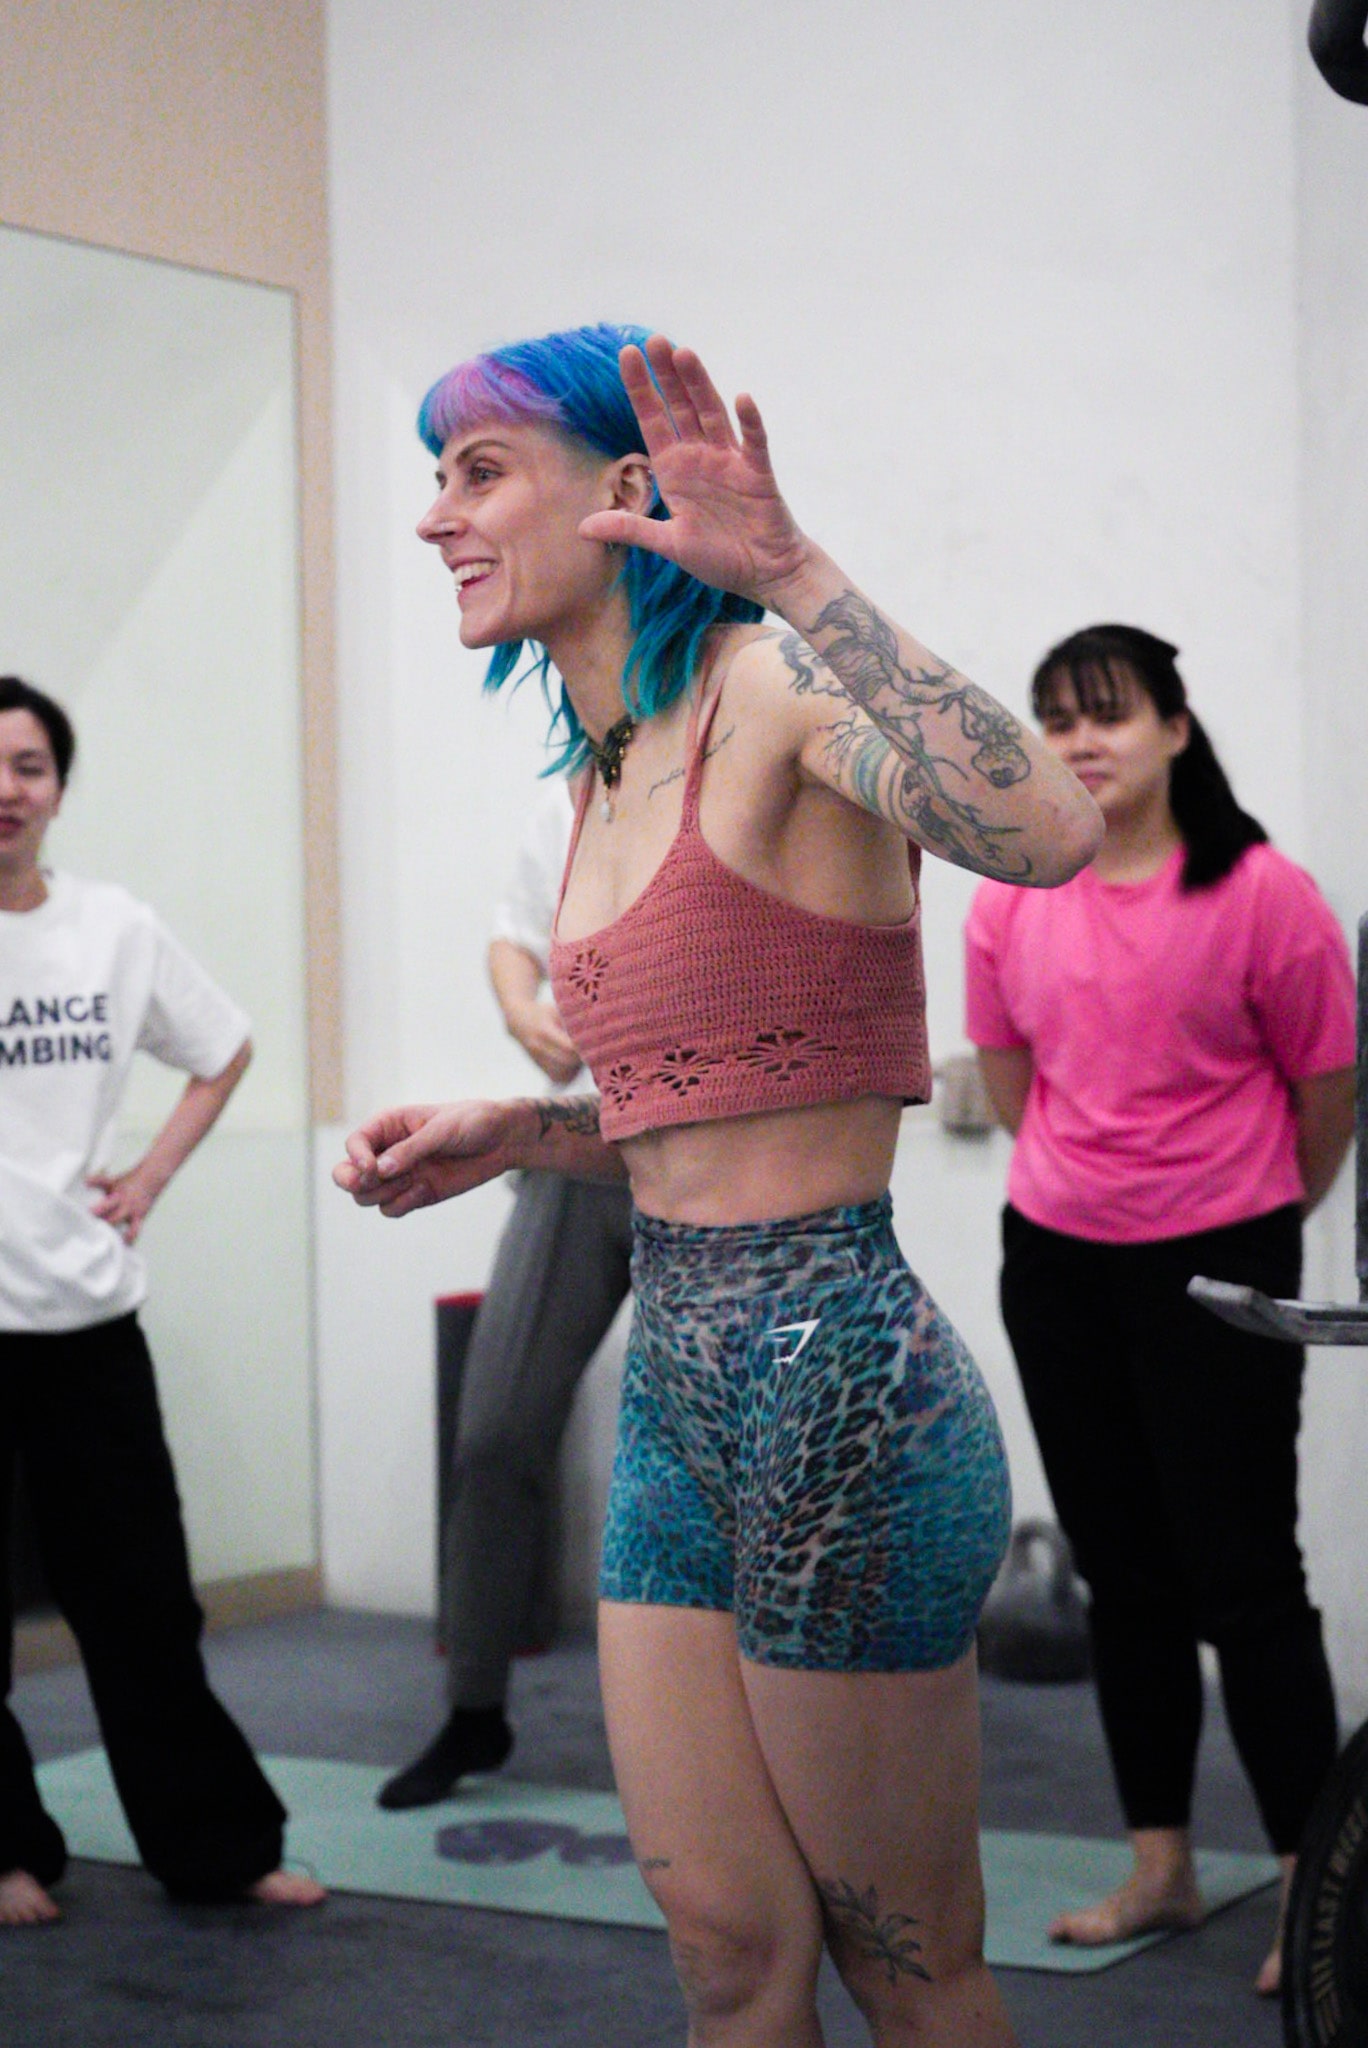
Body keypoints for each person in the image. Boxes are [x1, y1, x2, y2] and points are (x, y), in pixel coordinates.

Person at [337, 324, 1101, 2047]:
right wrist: (516, 1130)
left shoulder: (768, 687)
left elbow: (1046, 831)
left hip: (836, 1387)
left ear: (622, 491)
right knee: (729, 1954)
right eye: (435, 477)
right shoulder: (601, 766)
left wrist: (795, 567)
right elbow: (700, 1107)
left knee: (907, 1962)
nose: (435, 517)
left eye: (477, 473)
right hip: (681, 1397)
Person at [965, 623, 1354, 1998]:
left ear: (1176, 728)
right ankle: (1161, 1864)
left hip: (1222, 1263)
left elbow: (1326, 1094)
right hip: (1059, 1261)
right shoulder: (1012, 895)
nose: (1081, 741)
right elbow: (1010, 1082)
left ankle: (1314, 1888)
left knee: (1247, 1579)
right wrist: (1098, 1190)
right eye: (1058, 717)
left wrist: (1241, 1209)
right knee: (1122, 1573)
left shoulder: (1264, 894)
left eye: (1109, 713)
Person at [0, 675, 325, 1926]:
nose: (6, 789)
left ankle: (217, 1845)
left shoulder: (113, 929)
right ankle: (3, 1847)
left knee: (142, 1602)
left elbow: (222, 1046)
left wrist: (147, 1178)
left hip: (86, 1323)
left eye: (29, 765)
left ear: (57, 789)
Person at [378, 779, 634, 1810]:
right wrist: (524, 1013)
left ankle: (760, 1728)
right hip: (575, 1145)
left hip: (717, 1155)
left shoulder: (744, 768)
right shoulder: (574, 799)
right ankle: (474, 1710)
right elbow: (513, 935)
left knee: (726, 1454)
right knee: (494, 1431)